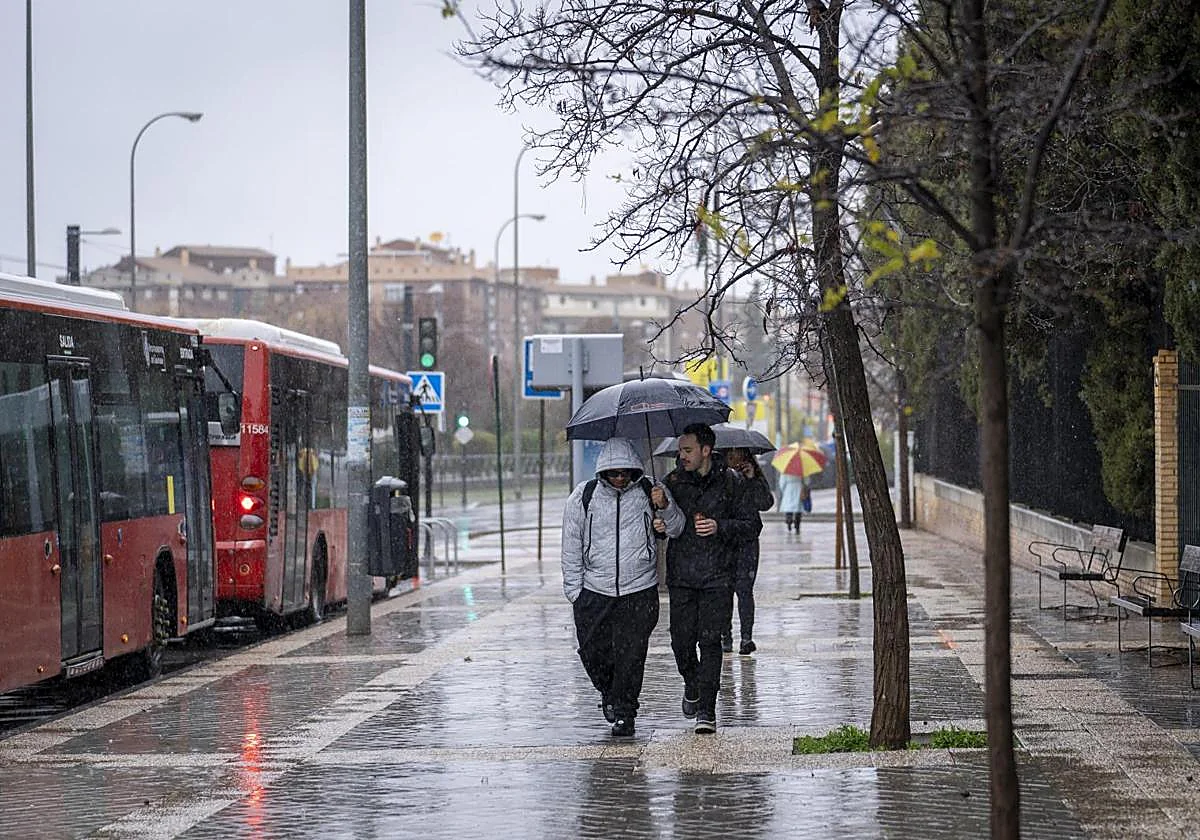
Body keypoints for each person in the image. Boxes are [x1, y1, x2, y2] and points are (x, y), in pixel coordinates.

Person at [561, 437, 684, 737]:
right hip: (594, 589)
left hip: (639, 588)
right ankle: (609, 694)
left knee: (631, 655)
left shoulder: (651, 491)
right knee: (593, 652)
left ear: (633, 470)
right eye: (613, 473)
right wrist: (574, 591)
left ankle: (625, 712)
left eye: (625, 472)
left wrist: (664, 511)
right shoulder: (583, 496)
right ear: (603, 472)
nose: (619, 478)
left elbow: (678, 527)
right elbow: (570, 542)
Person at [662, 423, 760, 734]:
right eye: (680, 450)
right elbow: (660, 524)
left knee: (711, 641)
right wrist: (658, 519)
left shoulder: (731, 483)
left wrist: (720, 527)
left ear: (706, 450)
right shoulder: (672, 482)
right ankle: (692, 684)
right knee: (681, 642)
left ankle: (707, 709)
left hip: (718, 575)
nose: (682, 456)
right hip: (681, 576)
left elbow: (752, 525)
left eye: (688, 450)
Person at [720, 447, 774, 656]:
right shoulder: (719, 477)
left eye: (739, 455)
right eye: (731, 456)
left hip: (747, 540)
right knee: (723, 591)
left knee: (744, 590)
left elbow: (766, 503)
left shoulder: (752, 477)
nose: (735, 459)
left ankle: (746, 638)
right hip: (724, 540)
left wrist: (752, 478)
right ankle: (726, 636)